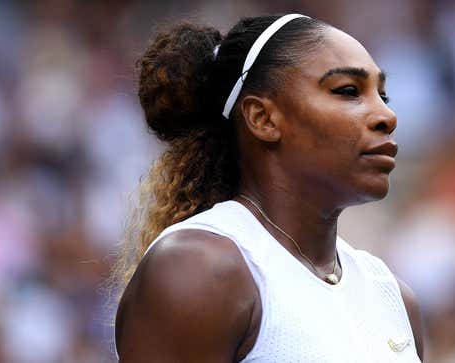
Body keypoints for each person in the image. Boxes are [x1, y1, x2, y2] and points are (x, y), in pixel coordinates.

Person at [113, 13, 425, 362]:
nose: (387, 116)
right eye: (349, 91)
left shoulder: (393, 297)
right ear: (263, 118)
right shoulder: (198, 270)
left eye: (383, 96)